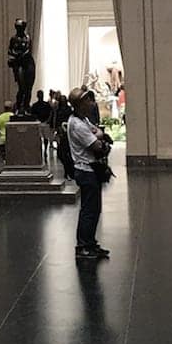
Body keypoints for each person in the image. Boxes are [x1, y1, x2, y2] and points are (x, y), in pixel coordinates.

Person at [67, 90, 111, 260]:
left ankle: (90, 243)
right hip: (86, 171)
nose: (91, 103)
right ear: (79, 104)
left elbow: (98, 132)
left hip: (91, 170)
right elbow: (97, 145)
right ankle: (83, 246)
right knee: (89, 211)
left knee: (94, 209)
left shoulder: (83, 120)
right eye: (87, 100)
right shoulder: (77, 125)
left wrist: (99, 135)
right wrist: (101, 140)